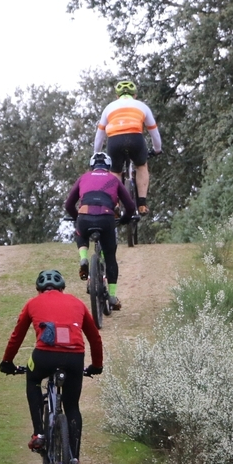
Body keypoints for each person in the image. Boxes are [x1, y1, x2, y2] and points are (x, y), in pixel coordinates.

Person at [0, 269, 103, 464]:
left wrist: (7, 362)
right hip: (75, 357)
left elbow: (16, 335)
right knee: (72, 406)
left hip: (44, 356)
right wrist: (96, 365)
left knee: (32, 377)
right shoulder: (76, 303)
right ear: (62, 288)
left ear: (39, 290)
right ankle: (74, 459)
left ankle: (39, 433)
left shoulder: (32, 303)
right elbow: (94, 337)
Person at [64, 151, 136, 310]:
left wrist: (78, 217)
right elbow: (130, 206)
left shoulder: (84, 177)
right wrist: (124, 219)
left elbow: (69, 204)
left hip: (85, 215)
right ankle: (111, 296)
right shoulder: (113, 179)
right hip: (106, 218)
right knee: (110, 257)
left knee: (80, 234)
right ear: (108, 166)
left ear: (92, 166)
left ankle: (83, 258)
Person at [93, 78, 162, 215]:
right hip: (135, 139)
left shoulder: (109, 107)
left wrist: (96, 154)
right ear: (135, 95)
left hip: (114, 140)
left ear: (117, 96)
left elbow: (100, 135)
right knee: (141, 166)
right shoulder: (142, 106)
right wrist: (157, 149)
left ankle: (116, 203)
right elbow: (154, 132)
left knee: (115, 171)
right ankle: (142, 204)